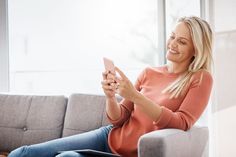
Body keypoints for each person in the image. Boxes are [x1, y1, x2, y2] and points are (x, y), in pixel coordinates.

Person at [8, 16, 213, 157]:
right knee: (24, 153)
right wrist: (109, 96)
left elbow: (182, 123)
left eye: (182, 42)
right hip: (108, 137)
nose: (173, 44)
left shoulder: (200, 78)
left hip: (131, 153)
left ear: (196, 49)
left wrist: (136, 96)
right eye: (172, 36)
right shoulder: (149, 72)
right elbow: (118, 119)